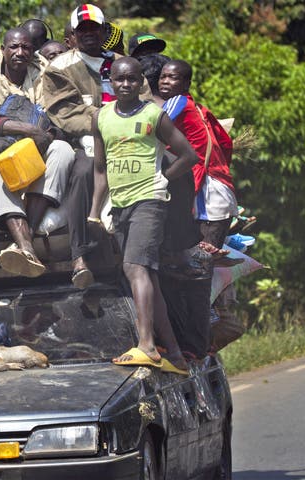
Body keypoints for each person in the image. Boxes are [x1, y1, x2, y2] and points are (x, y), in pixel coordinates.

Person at [89, 57, 199, 373]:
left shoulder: (154, 114)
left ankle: (147, 345)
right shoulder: (101, 117)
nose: (125, 85)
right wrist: (95, 211)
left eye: (132, 80)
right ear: (110, 82)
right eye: (119, 80)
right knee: (147, 275)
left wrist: (165, 178)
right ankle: (176, 355)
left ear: (141, 83)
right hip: (120, 203)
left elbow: (188, 154)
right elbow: (100, 168)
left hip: (150, 201)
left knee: (133, 266)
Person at [0, 28, 75, 277]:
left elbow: (61, 117)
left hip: (40, 147)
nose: (20, 53)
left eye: (26, 48)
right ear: (3, 49)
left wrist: (46, 136)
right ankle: (27, 245)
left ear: (33, 51)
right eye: (14, 47)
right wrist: (27, 129)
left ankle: (21, 246)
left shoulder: (47, 76)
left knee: (63, 150)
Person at [42, 3, 121, 288]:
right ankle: (79, 256)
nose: (89, 33)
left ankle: (179, 244)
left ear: (104, 31)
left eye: (94, 28)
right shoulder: (59, 68)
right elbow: (65, 114)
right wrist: (110, 119)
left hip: (127, 139)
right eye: (82, 28)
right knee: (83, 171)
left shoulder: (120, 63)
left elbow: (144, 99)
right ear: (74, 33)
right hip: (82, 141)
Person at [159, 59, 237, 248]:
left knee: (201, 264)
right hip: (218, 193)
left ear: (186, 84)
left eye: (173, 77)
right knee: (206, 265)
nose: (165, 81)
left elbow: (153, 127)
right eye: (163, 77)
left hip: (208, 198)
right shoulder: (196, 107)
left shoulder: (177, 101)